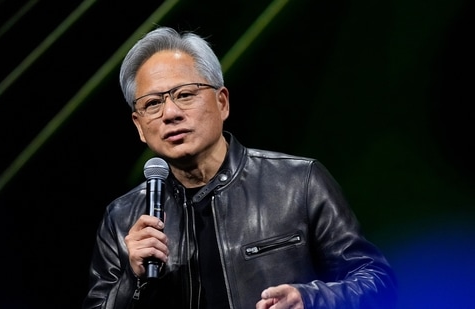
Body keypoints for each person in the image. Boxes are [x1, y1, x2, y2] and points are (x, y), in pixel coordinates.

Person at [83, 26, 397, 309]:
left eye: (185, 95)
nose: (170, 113)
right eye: (153, 104)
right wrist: (132, 280)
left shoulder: (298, 183)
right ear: (139, 126)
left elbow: (378, 283)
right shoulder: (122, 218)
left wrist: (311, 299)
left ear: (222, 102)